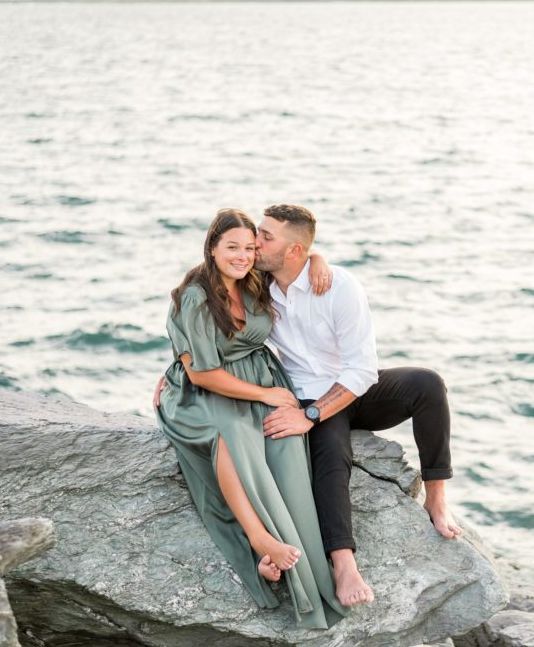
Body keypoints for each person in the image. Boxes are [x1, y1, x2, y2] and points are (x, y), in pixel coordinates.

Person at [253, 204, 463, 608]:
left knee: (429, 384)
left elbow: (363, 369)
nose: (256, 242)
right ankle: (343, 562)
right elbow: (210, 290)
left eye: (266, 236)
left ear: (294, 250)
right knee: (332, 454)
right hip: (304, 391)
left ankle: (436, 496)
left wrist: (309, 416)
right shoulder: (257, 281)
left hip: (354, 389)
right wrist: (183, 363)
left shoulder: (338, 286)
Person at [154, 208, 347, 629]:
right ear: (212, 248)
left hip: (260, 378)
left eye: (249, 247)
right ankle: (260, 540)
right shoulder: (195, 295)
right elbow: (201, 371)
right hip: (206, 390)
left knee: (286, 443)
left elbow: (294, 253)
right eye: (232, 248)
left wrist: (318, 259)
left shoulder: (256, 279)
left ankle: (316, 570)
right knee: (232, 438)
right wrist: (263, 393)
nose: (242, 256)